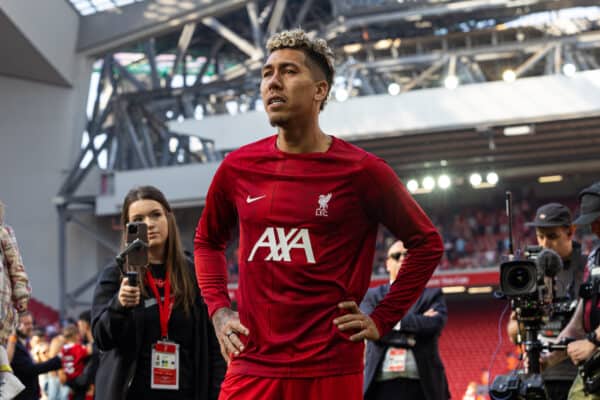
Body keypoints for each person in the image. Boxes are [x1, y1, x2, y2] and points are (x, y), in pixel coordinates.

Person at [194, 29, 443, 400]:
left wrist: (382, 317)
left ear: (320, 90)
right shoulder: (237, 167)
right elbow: (207, 241)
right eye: (267, 73)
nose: (273, 82)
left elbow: (427, 243)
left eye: (289, 71)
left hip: (329, 369)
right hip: (252, 364)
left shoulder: (363, 171)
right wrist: (217, 309)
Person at [91, 185, 225, 400]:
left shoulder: (194, 273)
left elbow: (214, 347)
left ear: (168, 219)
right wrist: (119, 306)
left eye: (155, 215)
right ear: (127, 228)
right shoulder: (116, 274)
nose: (149, 224)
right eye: (138, 219)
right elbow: (101, 339)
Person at [507, 202, 586, 399]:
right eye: (540, 236)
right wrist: (524, 318)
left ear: (570, 232)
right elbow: (513, 331)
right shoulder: (529, 272)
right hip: (537, 373)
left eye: (552, 236)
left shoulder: (587, 267)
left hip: (579, 374)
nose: (544, 244)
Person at [361, 240, 450, 400]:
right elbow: (370, 327)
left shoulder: (432, 294)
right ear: (388, 263)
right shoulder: (371, 296)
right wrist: (413, 333)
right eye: (397, 255)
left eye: (407, 255)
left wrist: (387, 323)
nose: (403, 258)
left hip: (423, 386)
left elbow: (434, 325)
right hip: (381, 385)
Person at [538, 182, 600, 399]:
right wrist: (548, 358)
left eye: (597, 221)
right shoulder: (596, 257)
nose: (593, 229)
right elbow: (579, 320)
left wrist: (593, 341)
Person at [10, 312, 62, 400]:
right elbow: (30, 369)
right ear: (17, 325)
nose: (30, 326)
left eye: (31, 323)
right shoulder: (14, 346)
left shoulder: (22, 344)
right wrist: (58, 359)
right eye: (26, 324)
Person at [59, 324, 91, 400]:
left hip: (68, 379)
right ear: (76, 336)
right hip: (79, 379)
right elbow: (87, 352)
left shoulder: (63, 349)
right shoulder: (78, 348)